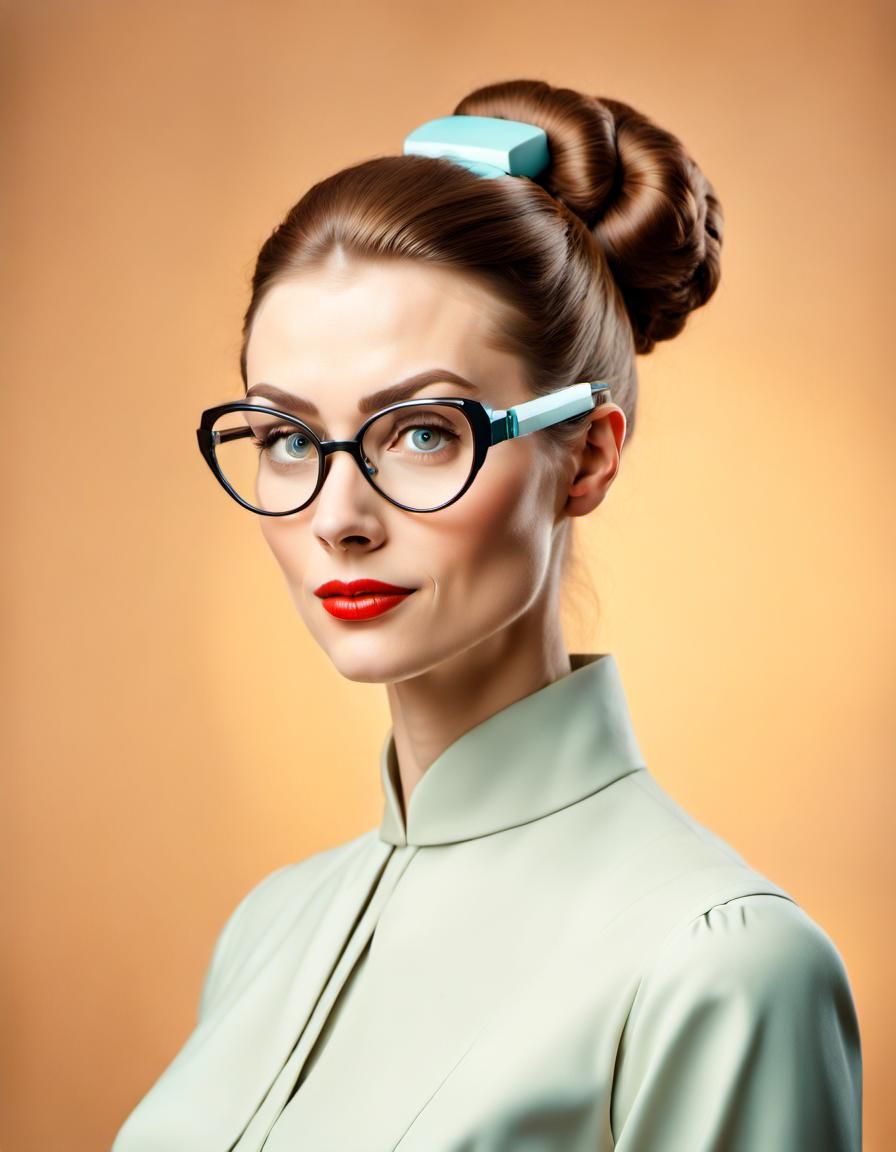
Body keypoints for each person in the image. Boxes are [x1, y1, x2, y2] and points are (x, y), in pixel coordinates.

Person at [112, 79, 862, 1151]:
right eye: (286, 439)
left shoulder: (720, 967)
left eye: (423, 431)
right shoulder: (266, 930)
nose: (337, 517)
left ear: (586, 456)